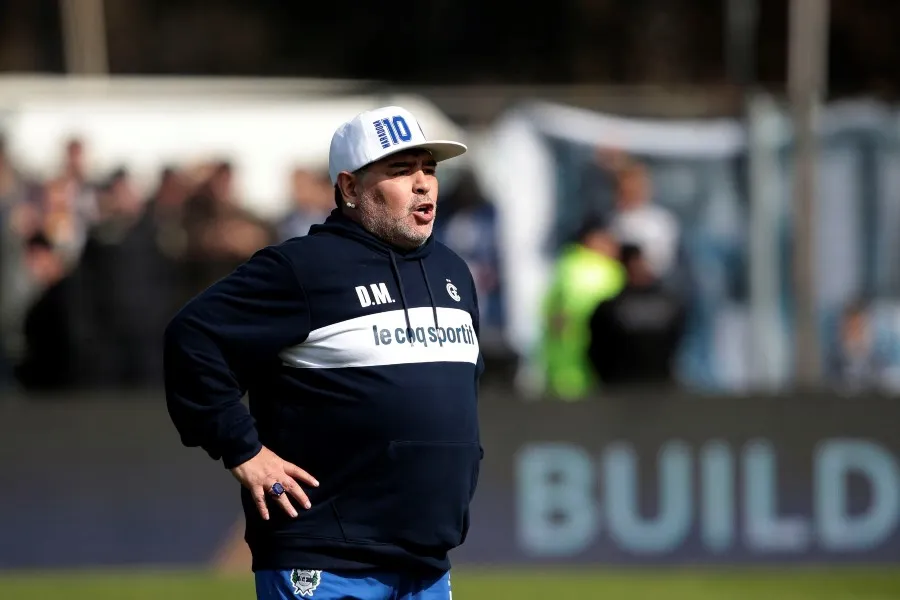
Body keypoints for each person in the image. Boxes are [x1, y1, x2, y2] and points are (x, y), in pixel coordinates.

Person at [164, 106, 481, 600]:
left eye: (429, 169)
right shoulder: (303, 268)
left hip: (424, 563)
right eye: (401, 170)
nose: (423, 184)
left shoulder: (453, 272)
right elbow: (193, 338)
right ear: (350, 188)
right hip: (325, 561)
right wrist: (242, 449)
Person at [538, 215, 625, 400]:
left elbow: (549, 315)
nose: (614, 244)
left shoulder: (564, 266)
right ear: (592, 239)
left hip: (560, 369)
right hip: (593, 370)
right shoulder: (607, 271)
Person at [587, 243, 687, 389]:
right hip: (620, 387)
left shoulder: (670, 304)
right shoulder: (609, 308)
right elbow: (597, 349)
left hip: (659, 387)